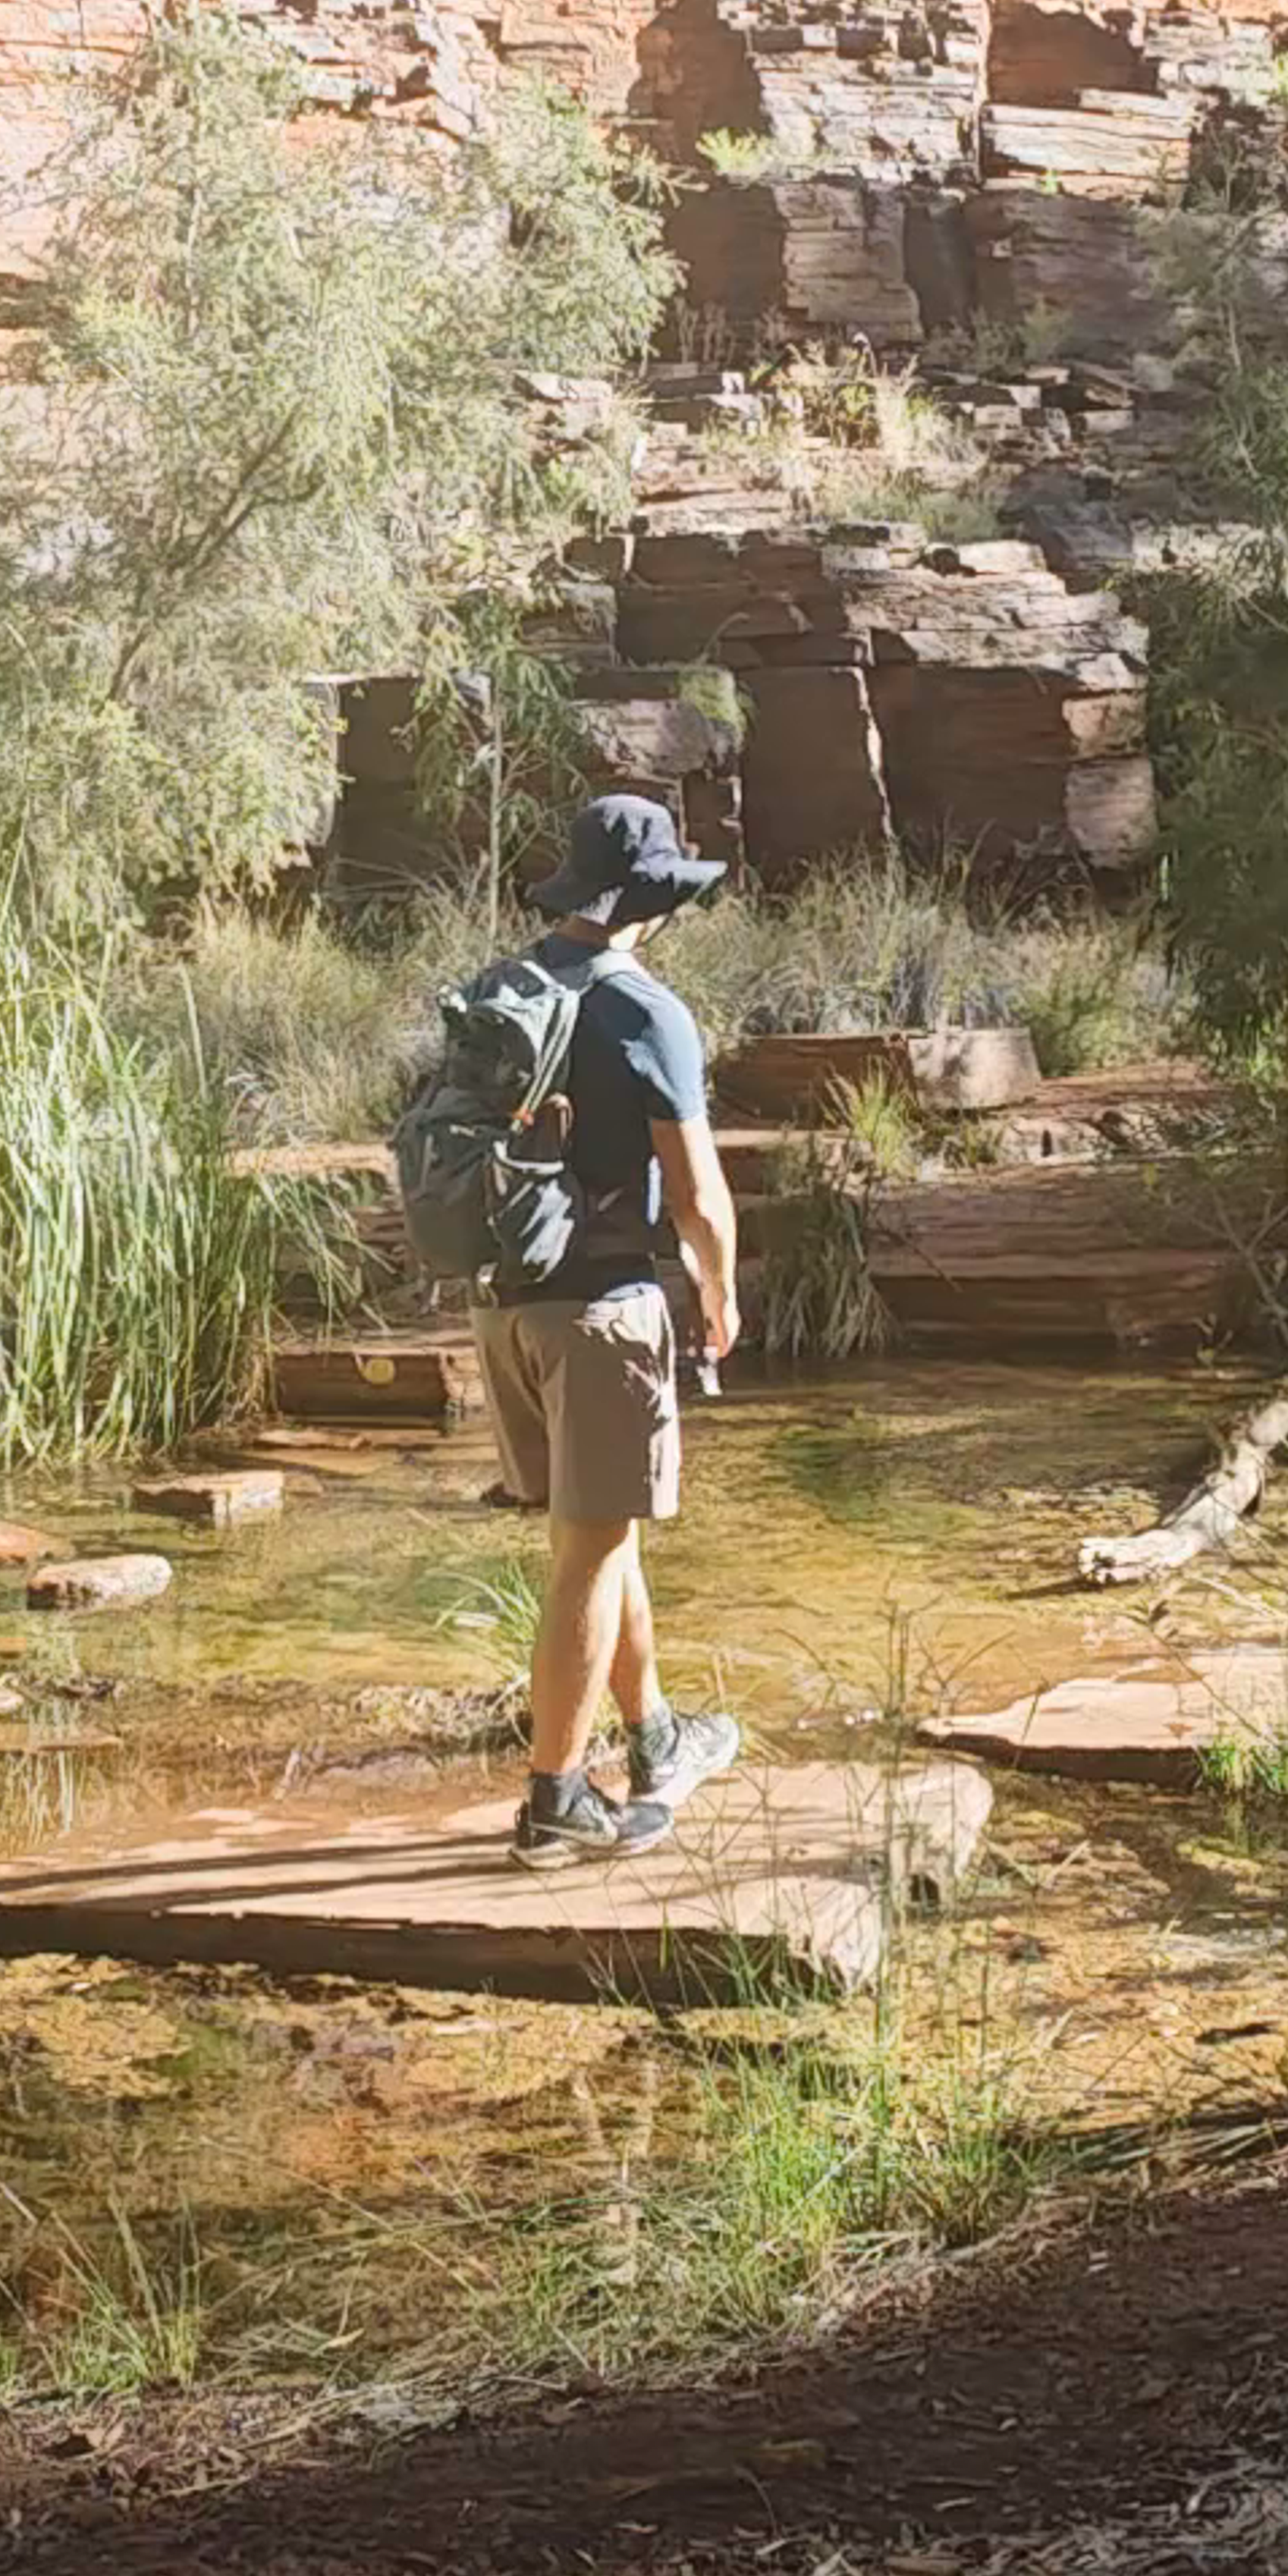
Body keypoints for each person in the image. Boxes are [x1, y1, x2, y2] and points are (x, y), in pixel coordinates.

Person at [473, 793, 747, 1868]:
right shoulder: (643, 1010)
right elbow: (697, 1191)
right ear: (650, 900)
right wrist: (718, 1293)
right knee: (589, 1553)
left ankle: (657, 1736)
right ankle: (554, 1802)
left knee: (598, 1528)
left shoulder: (504, 987)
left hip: (503, 1305)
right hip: (599, 1311)